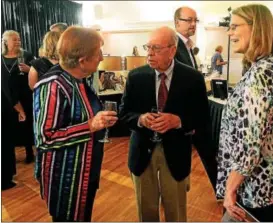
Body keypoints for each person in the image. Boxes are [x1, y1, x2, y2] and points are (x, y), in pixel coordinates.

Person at [119, 26, 211, 222]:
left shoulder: (192, 78)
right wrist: (141, 119)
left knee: (175, 210)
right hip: (142, 151)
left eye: (156, 48)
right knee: (146, 211)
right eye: (148, 47)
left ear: (172, 49)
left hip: (176, 151)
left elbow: (203, 117)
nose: (149, 54)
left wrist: (178, 121)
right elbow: (124, 114)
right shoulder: (136, 77)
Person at [33, 26, 118, 222]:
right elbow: (45, 138)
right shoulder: (53, 85)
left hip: (83, 173)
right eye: (98, 53)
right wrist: (89, 126)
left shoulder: (77, 80)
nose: (102, 58)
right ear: (83, 60)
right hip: (66, 179)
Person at [216, 4, 273, 222]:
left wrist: (230, 189)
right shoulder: (264, 67)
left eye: (234, 27)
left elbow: (251, 143)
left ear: (256, 27)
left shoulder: (260, 73)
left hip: (254, 189)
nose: (229, 33)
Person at [174, 6, 218, 192]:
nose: (193, 24)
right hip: (184, 116)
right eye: (188, 20)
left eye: (195, 20)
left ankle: (222, 191)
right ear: (177, 22)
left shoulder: (188, 46)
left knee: (209, 154)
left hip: (194, 114)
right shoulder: (174, 46)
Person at [1, 30, 35, 164]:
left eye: (19, 39)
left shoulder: (26, 55)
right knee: (9, 125)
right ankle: (10, 155)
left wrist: (29, 69)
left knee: (26, 124)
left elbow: (35, 71)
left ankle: (29, 152)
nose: (18, 42)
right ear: (5, 42)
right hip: (5, 96)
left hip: (24, 95)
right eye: (14, 39)